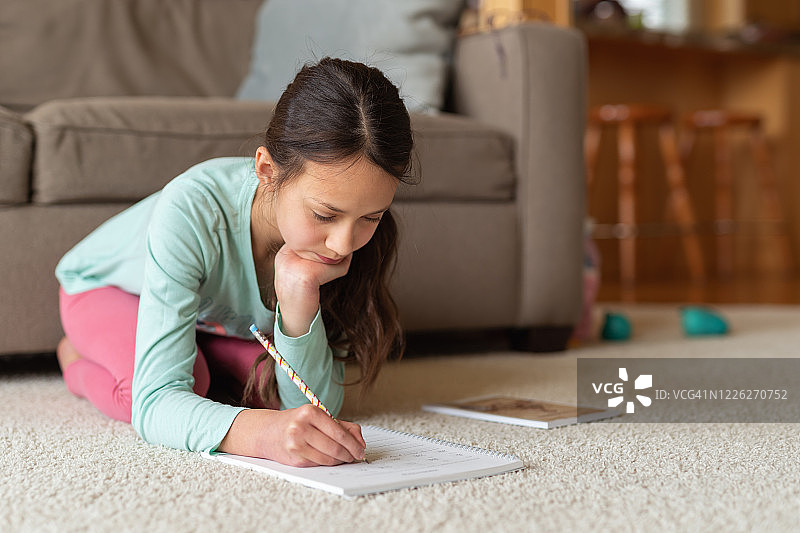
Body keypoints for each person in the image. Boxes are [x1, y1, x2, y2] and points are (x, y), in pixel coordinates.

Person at [54, 57, 415, 467]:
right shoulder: (192, 209)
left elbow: (316, 406)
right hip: (107, 289)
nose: (343, 244)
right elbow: (155, 405)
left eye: (371, 217)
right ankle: (73, 360)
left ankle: (193, 345)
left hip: (207, 317)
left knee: (269, 392)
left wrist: (300, 297)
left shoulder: (342, 241)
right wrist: (263, 435)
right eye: (324, 215)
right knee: (179, 386)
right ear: (266, 170)